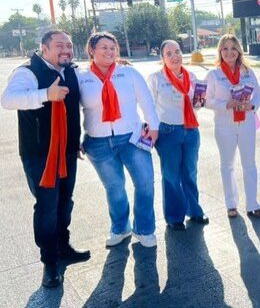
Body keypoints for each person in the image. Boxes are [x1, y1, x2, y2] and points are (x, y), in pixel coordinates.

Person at [1, 30, 90, 288]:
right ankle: (49, 262)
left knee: (65, 201)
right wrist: (44, 95)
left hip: (67, 151)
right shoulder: (27, 72)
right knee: (47, 206)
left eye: (69, 45)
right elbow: (7, 100)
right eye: (59, 45)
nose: (66, 49)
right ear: (44, 48)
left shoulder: (70, 70)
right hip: (40, 154)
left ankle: (63, 247)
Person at [77, 32, 160, 248]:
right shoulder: (81, 78)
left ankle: (144, 229)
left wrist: (154, 126)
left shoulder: (128, 73)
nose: (109, 51)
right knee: (114, 188)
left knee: (144, 183)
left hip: (132, 138)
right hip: (98, 143)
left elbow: (146, 101)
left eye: (113, 47)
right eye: (103, 47)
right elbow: (71, 112)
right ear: (91, 50)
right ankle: (120, 228)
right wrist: (73, 140)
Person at [147, 40, 208, 230]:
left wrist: (199, 102)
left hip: (190, 131)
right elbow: (149, 107)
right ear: (163, 58)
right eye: (169, 54)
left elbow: (196, 103)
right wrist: (151, 130)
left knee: (190, 172)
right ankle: (174, 217)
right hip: (167, 132)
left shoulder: (191, 76)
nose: (175, 56)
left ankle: (194, 210)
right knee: (171, 175)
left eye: (178, 51)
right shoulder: (156, 78)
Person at [205, 34, 260, 218]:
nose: (229, 52)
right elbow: (205, 100)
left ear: (239, 50)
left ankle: (252, 204)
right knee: (227, 165)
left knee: (250, 164)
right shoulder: (214, 74)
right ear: (220, 51)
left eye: (233, 48)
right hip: (224, 126)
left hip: (246, 122)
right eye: (225, 48)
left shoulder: (247, 71)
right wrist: (226, 104)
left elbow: (258, 93)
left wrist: (253, 105)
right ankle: (231, 204)